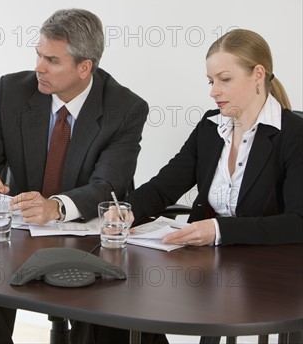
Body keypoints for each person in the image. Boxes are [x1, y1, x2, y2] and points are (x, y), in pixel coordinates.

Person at [0, 8, 159, 344]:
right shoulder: (12, 92)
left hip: (86, 237)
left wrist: (57, 206)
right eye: (38, 54)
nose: (39, 67)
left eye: (51, 60)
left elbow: (109, 185)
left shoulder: (124, 108)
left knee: (92, 307)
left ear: (84, 67)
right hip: (21, 233)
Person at [124, 28, 302, 246]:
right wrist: (126, 210)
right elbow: (164, 187)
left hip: (268, 268)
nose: (213, 91)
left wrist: (218, 230)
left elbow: (297, 222)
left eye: (224, 79)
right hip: (207, 266)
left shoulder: (294, 134)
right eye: (211, 81)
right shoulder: (210, 127)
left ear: (258, 74)